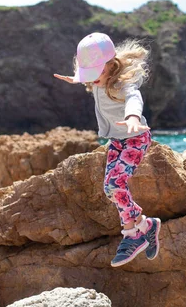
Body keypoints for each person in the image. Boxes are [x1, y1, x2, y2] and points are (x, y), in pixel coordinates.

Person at [54, 32, 161, 267]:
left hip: (135, 139)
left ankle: (132, 236)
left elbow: (135, 98)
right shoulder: (97, 80)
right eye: (88, 75)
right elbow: (89, 78)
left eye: (95, 73)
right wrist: (76, 79)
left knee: (116, 185)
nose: (92, 80)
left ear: (111, 66)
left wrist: (133, 117)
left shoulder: (122, 84)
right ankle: (146, 226)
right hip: (116, 141)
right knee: (110, 189)